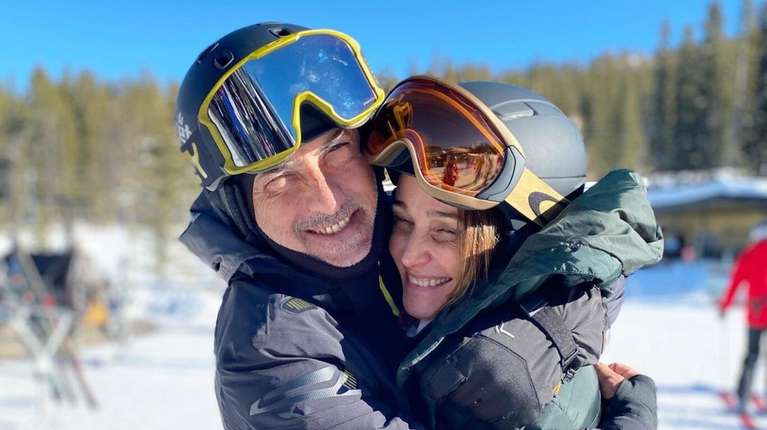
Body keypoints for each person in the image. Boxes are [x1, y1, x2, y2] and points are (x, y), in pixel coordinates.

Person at [364, 76, 663, 428]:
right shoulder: (431, 329)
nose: (409, 255)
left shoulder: (497, 389)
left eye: (445, 231)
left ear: (520, 245)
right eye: (402, 220)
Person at [175, 23, 421, 429]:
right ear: (239, 208)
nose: (329, 201)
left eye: (337, 150)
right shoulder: (267, 351)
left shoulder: (419, 234)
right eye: (280, 179)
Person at [719, 221, 767, 412]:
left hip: (756, 313)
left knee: (752, 355)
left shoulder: (749, 254)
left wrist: (725, 305)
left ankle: (742, 396)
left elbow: (736, 281)